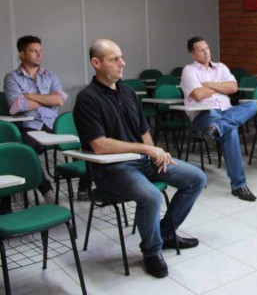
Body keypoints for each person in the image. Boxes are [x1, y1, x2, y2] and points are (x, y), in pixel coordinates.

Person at [73, 39, 206, 278]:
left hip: (142, 161)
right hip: (112, 169)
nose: (122, 63)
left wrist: (155, 152)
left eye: (121, 57)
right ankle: (151, 251)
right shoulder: (87, 98)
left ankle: (165, 233)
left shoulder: (128, 92)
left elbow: (144, 132)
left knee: (196, 178)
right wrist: (146, 150)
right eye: (114, 59)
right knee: (152, 196)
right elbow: (100, 145)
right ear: (96, 63)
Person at [180, 36, 257, 201]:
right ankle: (239, 185)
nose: (206, 52)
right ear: (193, 54)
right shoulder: (189, 70)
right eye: (201, 50)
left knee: (252, 105)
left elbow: (233, 87)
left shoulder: (221, 67)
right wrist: (220, 88)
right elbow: (198, 94)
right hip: (204, 114)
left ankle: (217, 129)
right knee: (231, 130)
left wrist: (207, 84)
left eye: (207, 48)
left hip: (226, 112)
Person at [3, 35, 66, 205]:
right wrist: (47, 99)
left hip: (53, 125)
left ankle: (84, 188)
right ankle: (46, 190)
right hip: (30, 126)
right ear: (22, 54)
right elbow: (17, 106)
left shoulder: (50, 76)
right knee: (25, 151)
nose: (39, 55)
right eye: (33, 51)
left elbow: (59, 100)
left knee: (84, 137)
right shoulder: (12, 78)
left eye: (40, 51)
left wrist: (29, 96)